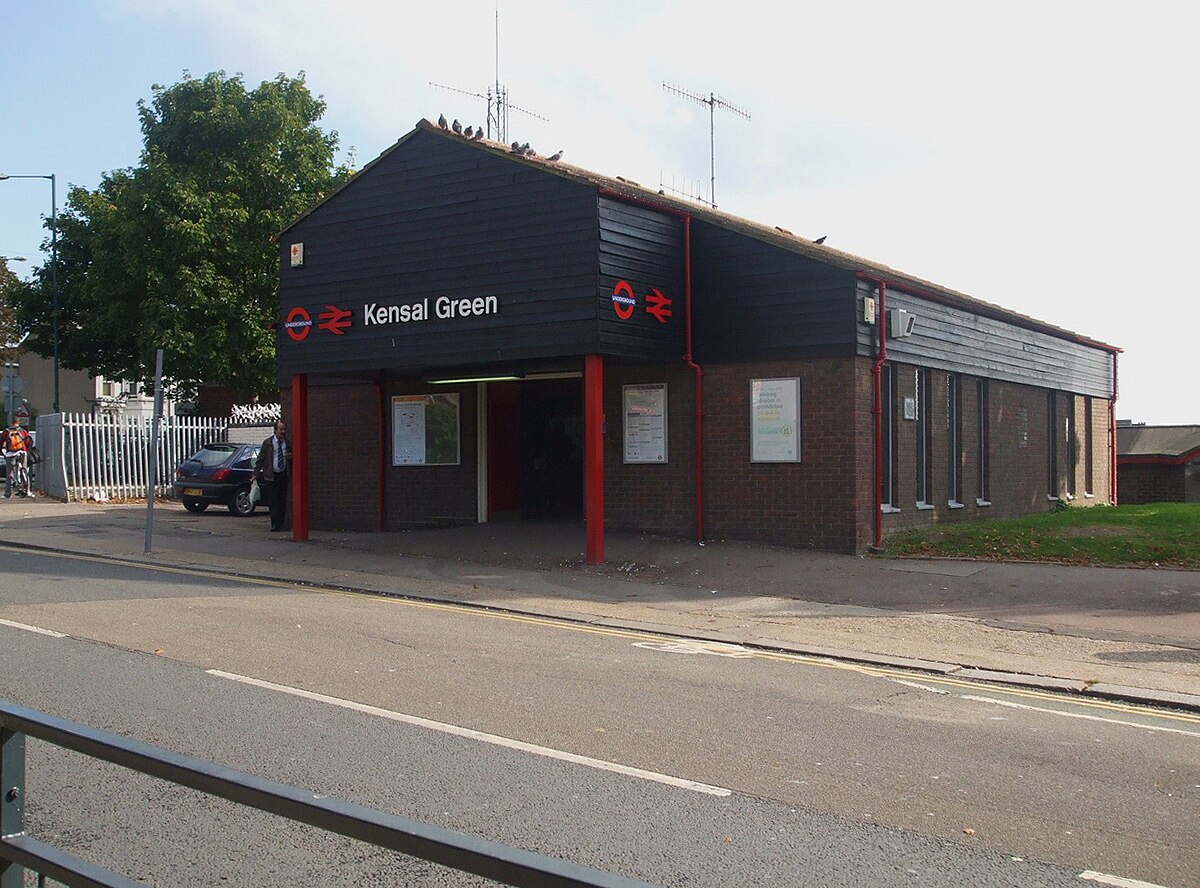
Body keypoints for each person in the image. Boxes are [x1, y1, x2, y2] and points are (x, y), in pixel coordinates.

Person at [255, 420, 292, 532]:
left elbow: (293, 458)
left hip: (283, 474)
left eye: (284, 429)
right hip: (271, 475)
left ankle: (281, 523)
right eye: (281, 429)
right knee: (273, 500)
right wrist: (256, 473)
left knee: (282, 499)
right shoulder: (268, 443)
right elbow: (260, 458)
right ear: (275, 430)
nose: (283, 432)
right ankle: (275, 524)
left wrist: (290, 457)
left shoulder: (287, 443)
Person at [3, 418, 34, 499]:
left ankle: (8, 493)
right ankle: (27, 491)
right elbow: (30, 441)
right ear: (18, 422)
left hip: (11, 454)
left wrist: (3, 453)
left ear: (11, 422)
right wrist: (26, 450)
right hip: (22, 453)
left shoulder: (6, 431)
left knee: (10, 474)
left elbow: (1, 441)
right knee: (24, 471)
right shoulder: (22, 431)